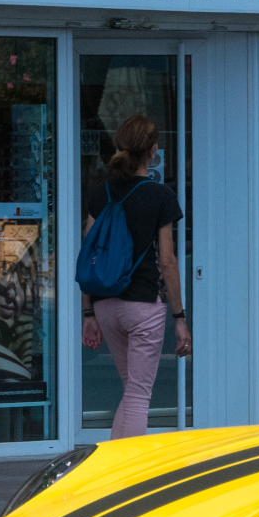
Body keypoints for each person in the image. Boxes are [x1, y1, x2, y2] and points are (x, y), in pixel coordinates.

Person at [81, 114, 190, 438]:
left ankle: (112, 465)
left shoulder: (101, 194)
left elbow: (88, 254)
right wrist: (180, 317)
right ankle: (127, 476)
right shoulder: (160, 196)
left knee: (132, 390)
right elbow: (168, 261)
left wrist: (88, 312)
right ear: (152, 151)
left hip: (106, 305)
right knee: (140, 395)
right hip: (143, 307)